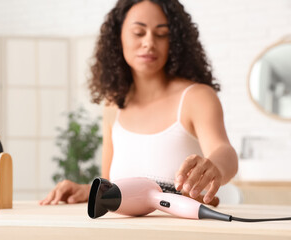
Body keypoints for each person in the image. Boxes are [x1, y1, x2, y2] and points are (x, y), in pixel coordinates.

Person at [39, 0, 238, 206]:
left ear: (175, 41)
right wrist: (87, 190)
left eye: (161, 34)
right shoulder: (114, 104)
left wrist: (215, 167)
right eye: (138, 32)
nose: (149, 43)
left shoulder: (196, 97)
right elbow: (111, 184)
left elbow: (225, 152)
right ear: (118, 37)